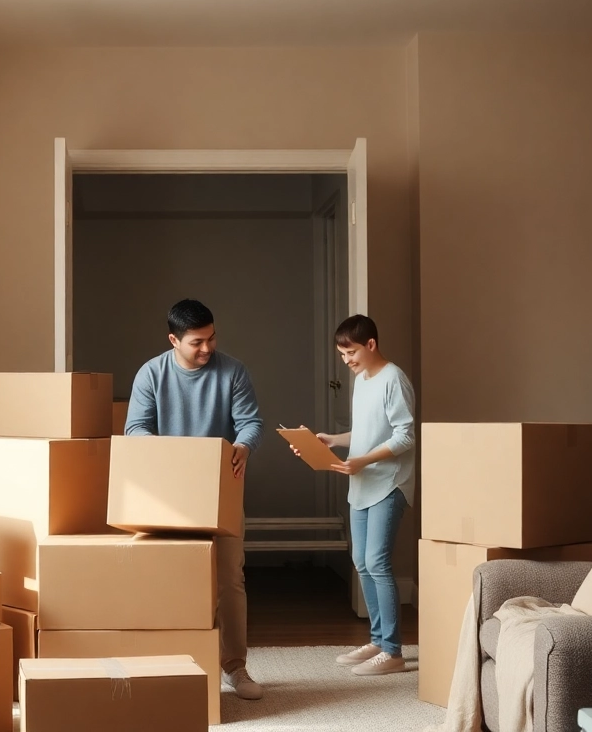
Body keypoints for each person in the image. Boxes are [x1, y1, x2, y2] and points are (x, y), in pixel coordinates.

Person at [125, 298, 266, 700]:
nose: (207, 348)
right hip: (167, 495)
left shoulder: (233, 370)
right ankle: (173, 667)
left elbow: (251, 422)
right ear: (174, 339)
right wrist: (173, 456)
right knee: (170, 581)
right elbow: (135, 428)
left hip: (221, 490)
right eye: (196, 342)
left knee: (230, 581)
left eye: (212, 338)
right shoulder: (150, 374)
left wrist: (244, 446)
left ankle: (235, 668)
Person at [289, 314, 415, 676]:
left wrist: (362, 459)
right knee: (361, 562)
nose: (346, 361)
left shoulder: (394, 379)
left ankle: (392, 652)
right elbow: (365, 432)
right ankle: (378, 639)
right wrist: (333, 440)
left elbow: (406, 436)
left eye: (351, 352)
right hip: (361, 482)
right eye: (342, 355)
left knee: (377, 562)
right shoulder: (362, 380)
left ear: (371, 344)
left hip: (388, 482)